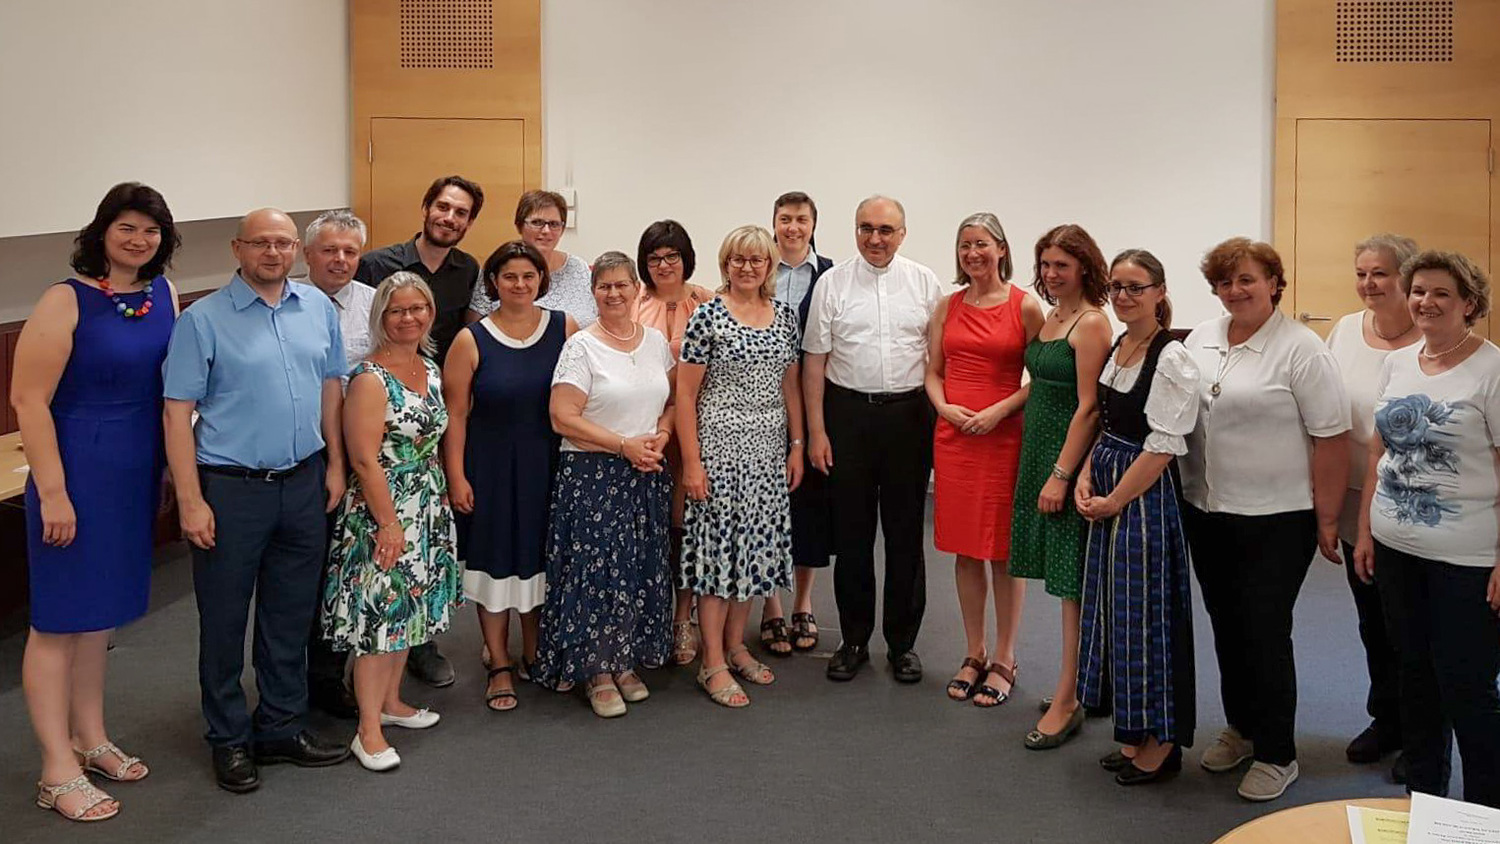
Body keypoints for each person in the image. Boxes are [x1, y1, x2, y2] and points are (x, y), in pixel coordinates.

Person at [162, 208, 351, 793]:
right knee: (223, 620)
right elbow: (176, 413)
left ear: (296, 249)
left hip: (304, 483)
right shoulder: (202, 320)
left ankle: (280, 725)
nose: (273, 253)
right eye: (261, 243)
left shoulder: (317, 307)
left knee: (290, 615)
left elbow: (331, 387)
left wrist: (336, 465)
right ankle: (228, 737)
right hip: (231, 489)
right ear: (237, 249)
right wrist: (190, 500)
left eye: (283, 243)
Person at [15, 183, 180, 822]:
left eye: (151, 230)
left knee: (100, 617)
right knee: (60, 619)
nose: (139, 240)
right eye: (126, 227)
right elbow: (29, 401)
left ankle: (90, 737)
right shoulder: (64, 299)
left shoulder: (163, 295)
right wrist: (54, 492)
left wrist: (167, 470)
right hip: (76, 473)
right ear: (102, 231)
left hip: (134, 471)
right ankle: (55, 768)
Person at [1181, 237, 1350, 802]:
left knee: (1264, 629)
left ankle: (1278, 753)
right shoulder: (1202, 338)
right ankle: (1243, 728)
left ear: (1275, 283)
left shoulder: (1301, 349)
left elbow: (1332, 437)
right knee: (1226, 623)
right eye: (1225, 282)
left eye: (1247, 279)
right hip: (1207, 509)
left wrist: (1328, 519)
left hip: (1278, 518)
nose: (1235, 290)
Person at [1353, 250, 1500, 809]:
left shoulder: (1491, 370)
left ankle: (1485, 815)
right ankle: (1426, 801)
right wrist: (1365, 530)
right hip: (1395, 548)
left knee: (1468, 687)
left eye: (1441, 292)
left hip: (1467, 558)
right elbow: (1378, 450)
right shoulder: (1399, 363)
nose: (1426, 302)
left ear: (1469, 303)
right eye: (1418, 291)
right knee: (1413, 677)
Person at [803, 195, 944, 683]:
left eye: (885, 230)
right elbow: (814, 362)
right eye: (866, 228)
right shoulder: (832, 283)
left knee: (906, 536)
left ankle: (903, 645)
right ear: (854, 230)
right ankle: (854, 639)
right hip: (848, 417)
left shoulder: (925, 283)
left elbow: (938, 360)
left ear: (902, 233)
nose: (875, 238)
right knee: (853, 536)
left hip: (909, 417)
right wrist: (817, 431)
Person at [322, 273, 461, 772]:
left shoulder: (430, 367)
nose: (409, 318)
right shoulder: (369, 378)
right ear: (380, 316)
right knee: (379, 620)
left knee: (410, 611)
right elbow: (363, 458)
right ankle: (368, 730)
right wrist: (388, 523)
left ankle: (391, 702)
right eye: (397, 310)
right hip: (383, 510)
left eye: (417, 308)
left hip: (426, 504)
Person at [354, 174, 485, 688]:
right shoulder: (376, 265)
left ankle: (418, 646)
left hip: (430, 404)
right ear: (427, 207)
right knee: (376, 554)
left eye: (461, 213)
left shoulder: (467, 270)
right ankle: (354, 669)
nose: (450, 218)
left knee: (422, 552)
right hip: (378, 406)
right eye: (443, 207)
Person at [1075, 250, 1200, 785]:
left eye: (1135, 287)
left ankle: (1162, 739)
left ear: (1159, 292)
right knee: (1116, 614)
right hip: (1110, 483)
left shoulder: (1172, 357)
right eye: (1116, 287)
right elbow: (1105, 425)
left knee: (1148, 615)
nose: (1123, 297)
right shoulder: (1121, 346)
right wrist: (1085, 475)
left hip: (1142, 497)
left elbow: (1164, 446)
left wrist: (1115, 500)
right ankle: (1134, 729)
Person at [533, 252, 676, 718]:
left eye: (621, 285)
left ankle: (623, 659)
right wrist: (623, 446)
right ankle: (596, 670)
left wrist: (662, 435)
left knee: (635, 569)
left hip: (645, 473)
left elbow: (672, 401)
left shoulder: (655, 342)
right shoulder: (581, 347)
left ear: (637, 289)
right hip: (593, 475)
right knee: (597, 574)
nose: (613, 293)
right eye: (604, 286)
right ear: (593, 292)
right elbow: (562, 417)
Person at [444, 241, 577, 712]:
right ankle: (499, 661)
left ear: (541, 280)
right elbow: (456, 415)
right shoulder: (471, 339)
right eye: (510, 277)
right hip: (491, 467)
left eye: (528, 276)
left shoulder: (564, 327)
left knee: (540, 558)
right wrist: (456, 476)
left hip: (549, 464)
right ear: (493, 283)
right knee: (496, 561)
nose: (520, 285)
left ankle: (535, 650)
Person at [678, 225, 805, 707]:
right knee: (717, 558)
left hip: (767, 454)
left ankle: (736, 646)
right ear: (725, 264)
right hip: (718, 453)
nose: (747, 267)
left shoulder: (785, 317)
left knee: (754, 552)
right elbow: (685, 395)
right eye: (738, 259)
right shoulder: (707, 316)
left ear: (770, 266)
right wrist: (692, 463)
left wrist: (797, 445)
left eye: (757, 260)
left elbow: (790, 385)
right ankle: (711, 661)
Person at [926, 213, 1042, 707]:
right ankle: (974, 651)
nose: (972, 253)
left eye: (981, 244)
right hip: (955, 437)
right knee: (965, 548)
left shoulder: (1025, 306)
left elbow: (1042, 377)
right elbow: (933, 371)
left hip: (1003, 436)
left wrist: (1000, 409)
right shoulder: (947, 306)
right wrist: (944, 407)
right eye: (964, 245)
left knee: (1002, 549)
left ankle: (1005, 656)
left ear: (1001, 249)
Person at [1010, 224, 1112, 748]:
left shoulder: (1091, 322)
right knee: (1061, 579)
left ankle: (1069, 697)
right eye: (1046, 265)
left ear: (1084, 268)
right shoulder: (1054, 315)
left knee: (1071, 587)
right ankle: (1082, 683)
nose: (1051, 274)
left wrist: (1061, 475)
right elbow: (1041, 385)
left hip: (1065, 461)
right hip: (1038, 450)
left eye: (1062, 266)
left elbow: (1090, 407)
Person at [1325, 233, 1420, 781]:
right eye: (1361, 273)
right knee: (1372, 620)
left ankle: (1420, 732)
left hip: (1409, 503)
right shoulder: (1344, 330)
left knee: (1409, 623)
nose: (1368, 284)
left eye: (1380, 273)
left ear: (1406, 276)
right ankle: (1386, 718)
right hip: (1353, 499)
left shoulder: (1430, 337)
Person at [302, 209, 374, 720]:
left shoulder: (376, 305)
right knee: (305, 571)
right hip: (304, 454)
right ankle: (292, 680)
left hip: (364, 456)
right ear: (308, 255)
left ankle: (331, 676)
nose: (340, 260)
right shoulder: (287, 302)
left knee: (348, 570)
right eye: (329, 250)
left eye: (350, 251)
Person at [633, 219, 714, 666]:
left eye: (672, 257)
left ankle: (684, 617)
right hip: (642, 433)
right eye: (654, 258)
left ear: (686, 259)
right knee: (648, 527)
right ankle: (647, 615)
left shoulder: (707, 302)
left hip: (692, 431)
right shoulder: (632, 301)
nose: (664, 265)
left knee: (687, 526)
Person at [760, 191, 835, 655]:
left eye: (801, 219)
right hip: (760, 405)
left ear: (813, 225)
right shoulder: (754, 270)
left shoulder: (830, 275)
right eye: (785, 218)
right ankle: (770, 606)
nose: (792, 227)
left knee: (809, 504)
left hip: (812, 401)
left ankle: (803, 603)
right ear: (774, 223)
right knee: (765, 505)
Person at [466, 189, 596, 326]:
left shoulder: (578, 268)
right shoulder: (498, 267)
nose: (546, 231)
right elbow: (475, 327)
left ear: (562, 229)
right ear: (519, 226)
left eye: (554, 224)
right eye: (537, 222)